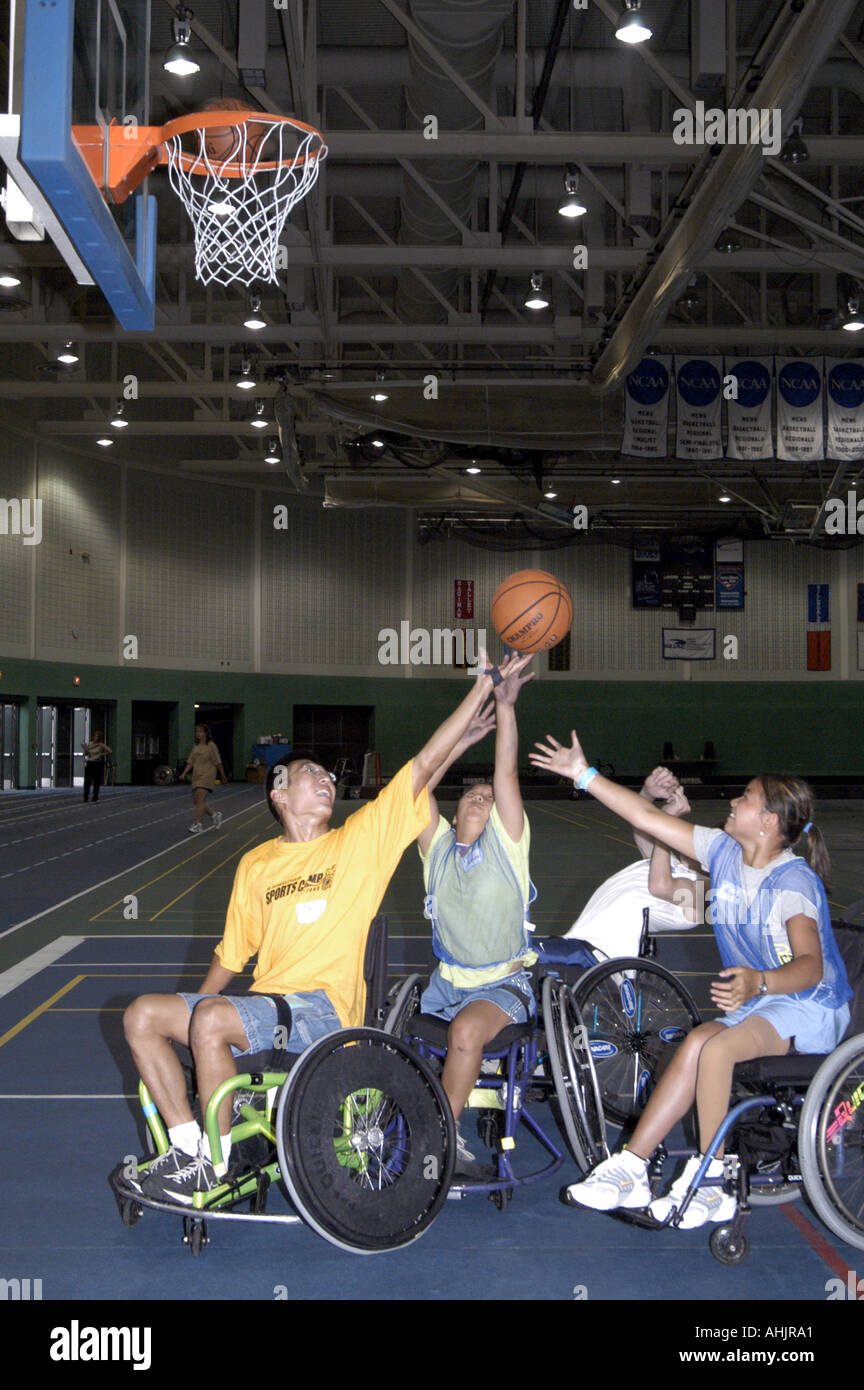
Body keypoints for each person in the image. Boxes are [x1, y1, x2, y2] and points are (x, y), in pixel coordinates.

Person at [120, 652, 532, 1206]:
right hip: (266, 1010)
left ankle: (214, 1168)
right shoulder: (256, 865)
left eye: (329, 776)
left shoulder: (357, 843)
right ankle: (189, 1147)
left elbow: (422, 766)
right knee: (143, 1015)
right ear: (279, 794)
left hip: (324, 1012)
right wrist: (192, 1018)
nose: (326, 781)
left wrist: (481, 688)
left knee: (213, 1019)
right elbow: (232, 954)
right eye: (311, 774)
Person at [529, 731, 852, 1229]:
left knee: (716, 1049)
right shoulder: (723, 854)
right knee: (697, 1042)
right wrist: (583, 774)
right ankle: (632, 1167)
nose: (733, 801)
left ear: (768, 822)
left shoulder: (793, 882)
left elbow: (811, 966)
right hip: (765, 1002)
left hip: (810, 1003)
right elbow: (648, 822)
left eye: (746, 797)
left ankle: (711, 1180)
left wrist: (759, 982)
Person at [416, 658, 535, 1174]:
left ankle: (443, 1139)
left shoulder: (508, 846)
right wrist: (461, 742)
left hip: (502, 985)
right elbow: (419, 787)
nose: (482, 798)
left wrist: (505, 708)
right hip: (445, 985)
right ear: (457, 810)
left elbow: (505, 772)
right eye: (472, 794)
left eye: (489, 797)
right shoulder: (437, 850)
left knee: (465, 1033)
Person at [565, 765, 705, 958]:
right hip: (580, 946)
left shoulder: (702, 896)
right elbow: (642, 826)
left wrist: (667, 820)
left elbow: (661, 886)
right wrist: (647, 794)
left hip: (604, 956)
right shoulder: (675, 867)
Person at [180, 724, 227, 834]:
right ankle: (214, 815)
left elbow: (218, 762)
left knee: (200, 799)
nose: (198, 734)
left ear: (206, 733)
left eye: (200, 731)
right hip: (197, 775)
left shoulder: (211, 746)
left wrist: (223, 776)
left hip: (207, 775)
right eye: (197, 731)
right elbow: (191, 761)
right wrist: (184, 773)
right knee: (197, 801)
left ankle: (198, 824)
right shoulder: (196, 746)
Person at [82, 731, 111, 803]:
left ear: (99, 738)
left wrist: (101, 754)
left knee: (96, 781)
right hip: (90, 762)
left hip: (97, 763)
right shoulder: (90, 744)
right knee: (87, 781)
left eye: (97, 736)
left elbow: (110, 751)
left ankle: (95, 796)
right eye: (94, 736)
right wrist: (86, 750)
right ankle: (85, 796)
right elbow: (87, 753)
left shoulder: (100, 745)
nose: (95, 738)